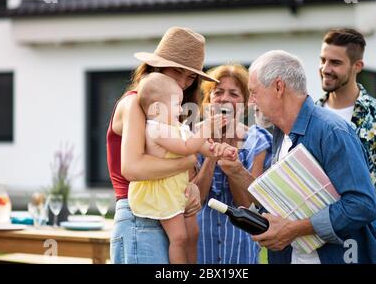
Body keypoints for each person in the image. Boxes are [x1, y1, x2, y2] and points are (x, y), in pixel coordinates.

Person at [217, 50, 376, 263]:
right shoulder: (280, 133)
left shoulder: (332, 132)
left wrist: (293, 229)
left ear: (279, 87)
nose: (251, 102)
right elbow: (286, 200)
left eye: (254, 92)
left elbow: (363, 204)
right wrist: (237, 172)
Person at [107, 26, 218, 264]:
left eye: (191, 77)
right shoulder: (135, 103)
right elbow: (133, 168)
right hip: (139, 216)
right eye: (178, 72)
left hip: (167, 212)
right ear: (155, 67)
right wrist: (186, 160)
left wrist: (193, 188)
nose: (184, 83)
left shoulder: (170, 115)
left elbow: (179, 171)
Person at [316, 28, 376, 263]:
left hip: (363, 244)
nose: (325, 68)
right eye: (322, 60)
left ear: (357, 66)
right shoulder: (312, 116)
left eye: (336, 62)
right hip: (314, 243)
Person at [128, 73, 236, 263]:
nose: (181, 108)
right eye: (176, 104)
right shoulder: (155, 129)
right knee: (179, 237)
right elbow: (187, 148)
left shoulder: (177, 126)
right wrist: (207, 127)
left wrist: (219, 150)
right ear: (156, 108)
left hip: (177, 189)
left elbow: (202, 146)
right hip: (162, 193)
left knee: (192, 233)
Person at [193, 64, 273, 264]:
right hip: (200, 242)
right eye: (218, 92)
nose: (225, 99)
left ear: (245, 103)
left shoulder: (258, 140)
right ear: (208, 101)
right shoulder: (191, 137)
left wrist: (232, 164)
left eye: (234, 94)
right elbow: (196, 199)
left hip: (240, 245)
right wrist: (212, 155)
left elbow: (246, 204)